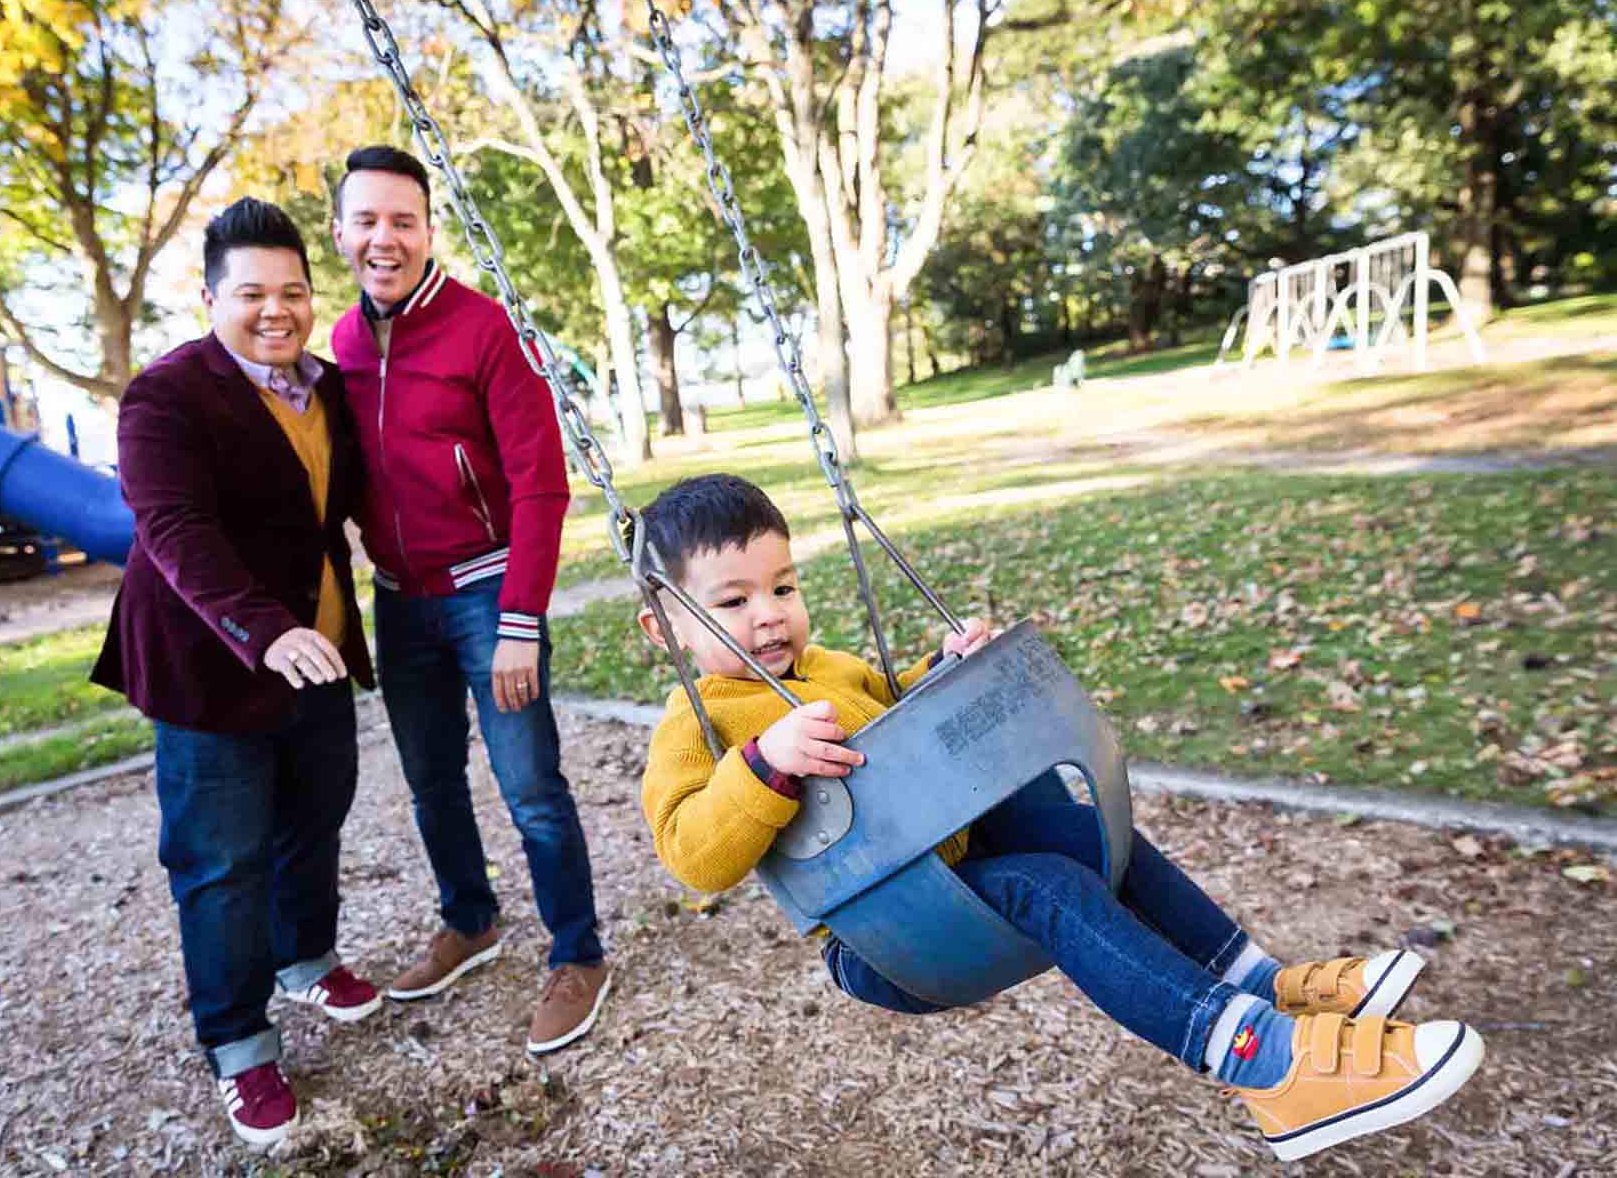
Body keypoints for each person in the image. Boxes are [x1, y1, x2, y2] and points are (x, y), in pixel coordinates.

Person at [634, 473, 1484, 1163]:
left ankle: (1261, 984)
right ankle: (1263, 1064)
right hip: (884, 939)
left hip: (951, 870)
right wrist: (761, 767)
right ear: (662, 628)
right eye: (733, 604)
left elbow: (896, 721)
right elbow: (691, 854)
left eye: (782, 586)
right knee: (1048, 886)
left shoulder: (828, 665)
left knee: (1093, 839)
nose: (770, 614)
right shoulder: (697, 726)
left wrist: (943, 672)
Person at [92, 198, 382, 1148]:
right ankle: (240, 1044)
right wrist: (262, 631)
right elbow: (174, 532)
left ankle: (306, 958)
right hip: (212, 667)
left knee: (316, 818)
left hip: (322, 653)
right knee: (221, 860)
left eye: (293, 290)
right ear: (208, 295)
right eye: (251, 292)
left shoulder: (331, 388)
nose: (275, 309)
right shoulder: (165, 397)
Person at [328, 144, 609, 1054]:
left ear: (428, 230)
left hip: (490, 590)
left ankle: (578, 951)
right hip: (399, 599)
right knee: (430, 782)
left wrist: (521, 622)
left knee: (529, 786)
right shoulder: (336, 343)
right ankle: (470, 919)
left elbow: (541, 485)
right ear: (340, 234)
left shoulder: (488, 330)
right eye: (367, 220)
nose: (385, 238)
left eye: (402, 220)